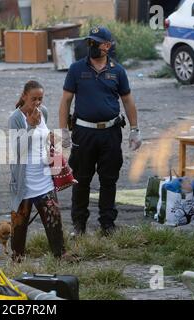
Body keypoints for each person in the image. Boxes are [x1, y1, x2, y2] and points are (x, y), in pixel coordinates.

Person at [58, 26, 142, 237]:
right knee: (81, 179)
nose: (91, 46)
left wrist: (135, 129)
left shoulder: (118, 71)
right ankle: (79, 225)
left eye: (96, 43)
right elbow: (66, 100)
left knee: (109, 179)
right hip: (84, 133)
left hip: (111, 133)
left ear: (107, 46)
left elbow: (128, 100)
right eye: (90, 42)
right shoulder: (77, 69)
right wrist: (63, 132)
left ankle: (107, 224)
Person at [9, 80, 68, 262]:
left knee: (53, 220)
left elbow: (43, 140)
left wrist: (51, 139)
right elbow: (18, 151)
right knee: (20, 225)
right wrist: (31, 127)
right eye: (33, 98)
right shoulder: (16, 118)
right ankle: (18, 258)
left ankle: (60, 255)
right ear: (24, 96)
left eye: (40, 99)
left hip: (44, 179)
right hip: (24, 182)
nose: (37, 103)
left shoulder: (44, 112)